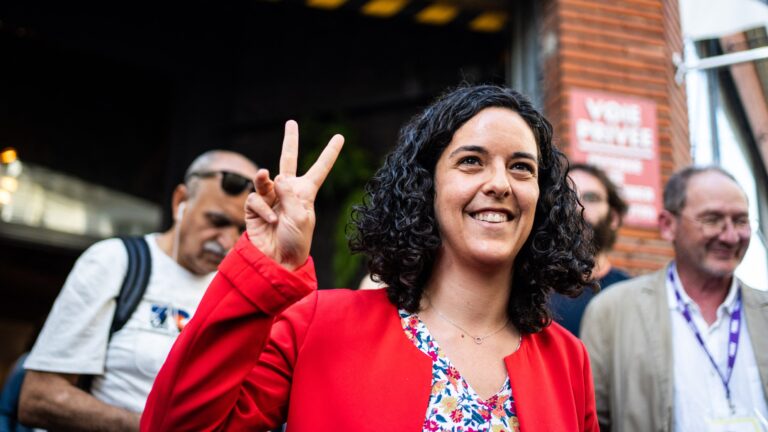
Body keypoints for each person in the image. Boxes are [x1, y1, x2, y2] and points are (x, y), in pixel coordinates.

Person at [141, 85, 599, 431]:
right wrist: (265, 271)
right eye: (471, 162)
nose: (500, 183)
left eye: (522, 167)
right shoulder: (318, 324)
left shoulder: (567, 359)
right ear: (427, 187)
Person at [18, 150, 259, 431]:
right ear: (180, 201)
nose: (228, 242)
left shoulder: (237, 293)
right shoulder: (115, 261)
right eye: (216, 222)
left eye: (242, 229)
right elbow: (39, 397)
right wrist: (152, 427)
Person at [581, 166, 768, 432]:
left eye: (740, 221)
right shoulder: (613, 311)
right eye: (712, 219)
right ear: (668, 225)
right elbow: (591, 422)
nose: (729, 236)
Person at [549, 163, 629, 336]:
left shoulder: (632, 296)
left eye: (591, 198)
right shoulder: (528, 290)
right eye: (567, 197)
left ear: (613, 217)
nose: (578, 207)